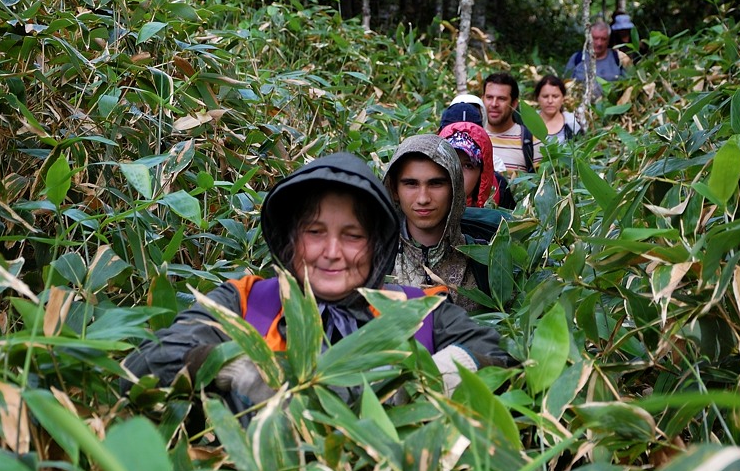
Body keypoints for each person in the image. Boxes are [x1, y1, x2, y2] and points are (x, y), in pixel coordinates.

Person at [121, 153, 511, 408]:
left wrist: (432, 378)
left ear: (377, 247)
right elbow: (142, 366)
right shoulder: (245, 302)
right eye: (314, 232)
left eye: (353, 235)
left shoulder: (416, 311)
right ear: (290, 240)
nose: (332, 252)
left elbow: (498, 356)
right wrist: (232, 366)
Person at [383, 136, 490, 311]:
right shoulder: (376, 259)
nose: (423, 199)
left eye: (436, 184)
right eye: (411, 184)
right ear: (395, 190)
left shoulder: (484, 262)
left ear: (454, 189)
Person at [482, 72, 538, 173]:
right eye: (489, 97)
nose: (494, 104)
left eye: (501, 99)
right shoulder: (471, 136)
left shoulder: (531, 141)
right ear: (482, 99)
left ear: (514, 103)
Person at [565, 21, 632, 85]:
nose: (599, 43)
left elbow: (630, 84)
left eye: (603, 39)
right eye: (595, 38)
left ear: (608, 40)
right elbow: (566, 85)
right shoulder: (577, 58)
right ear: (588, 38)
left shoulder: (619, 58)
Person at [534, 75, 582, 144]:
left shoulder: (572, 123)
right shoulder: (528, 122)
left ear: (563, 98)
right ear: (538, 98)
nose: (550, 101)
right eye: (545, 96)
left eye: (555, 96)